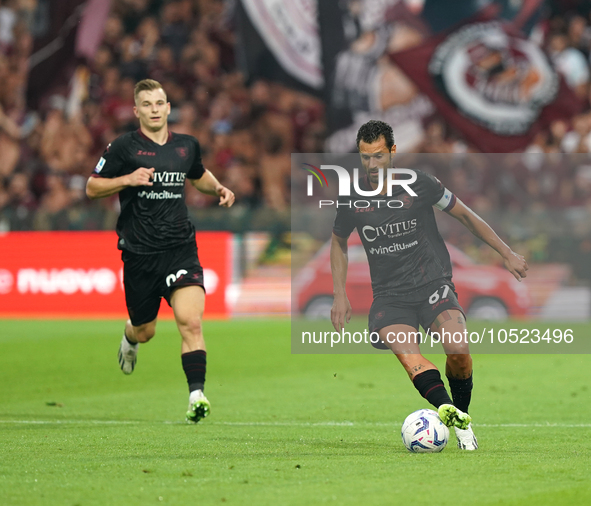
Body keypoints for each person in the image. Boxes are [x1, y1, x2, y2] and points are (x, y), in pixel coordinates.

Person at [330, 120, 528, 450]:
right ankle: (447, 411)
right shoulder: (351, 197)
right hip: (390, 297)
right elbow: (337, 242)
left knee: (459, 352)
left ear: (392, 151)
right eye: (365, 158)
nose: (372, 164)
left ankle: (461, 419)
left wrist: (505, 253)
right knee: (411, 359)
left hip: (432, 284)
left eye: (378, 156)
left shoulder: (419, 185)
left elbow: (464, 215)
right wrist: (340, 293)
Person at [86, 79, 235, 423]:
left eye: (160, 103)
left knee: (190, 322)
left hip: (180, 248)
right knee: (146, 331)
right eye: (147, 104)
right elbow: (92, 187)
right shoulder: (123, 147)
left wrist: (219, 188)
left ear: (168, 108)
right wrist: (127, 180)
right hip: (140, 255)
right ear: (136, 111)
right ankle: (130, 334)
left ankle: (196, 395)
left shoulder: (186, 146)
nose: (154, 110)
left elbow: (197, 175)